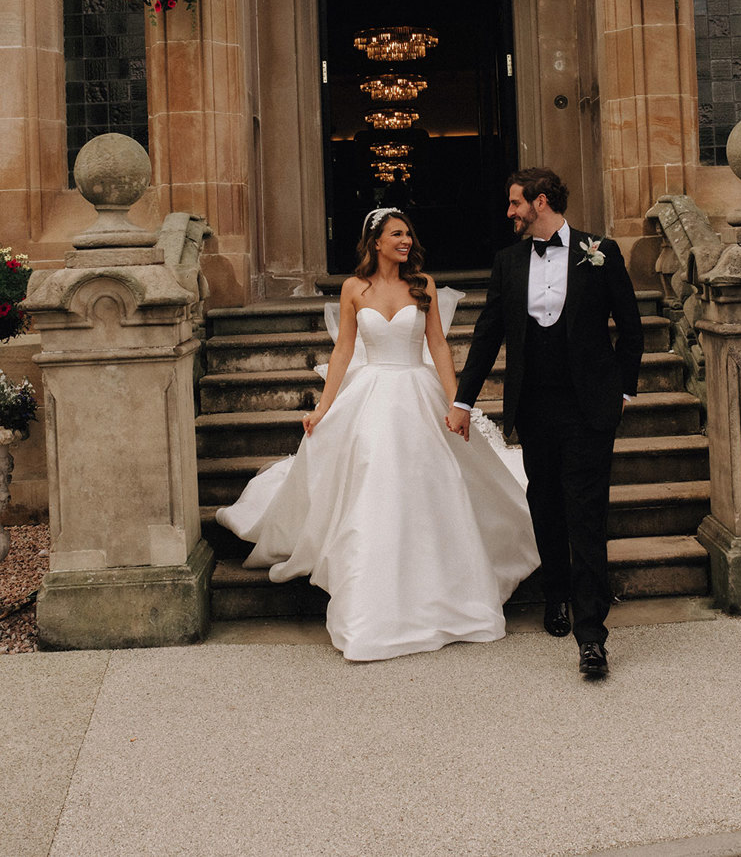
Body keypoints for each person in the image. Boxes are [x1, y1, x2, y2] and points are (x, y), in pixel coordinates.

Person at [216, 207, 539, 662]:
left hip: (417, 389)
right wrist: (323, 408)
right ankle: (373, 602)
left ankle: (448, 591)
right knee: (372, 477)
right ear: (376, 242)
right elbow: (345, 349)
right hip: (371, 396)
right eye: (396, 234)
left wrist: (457, 403)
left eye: (408, 234)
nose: (405, 241)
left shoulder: (422, 285)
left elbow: (438, 346)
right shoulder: (354, 288)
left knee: (434, 480)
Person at [446, 168, 644, 679]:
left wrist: (623, 390)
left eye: (515, 204)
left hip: (589, 408)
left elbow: (631, 326)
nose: (509, 213)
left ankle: (593, 634)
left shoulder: (600, 251)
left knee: (586, 511)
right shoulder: (509, 262)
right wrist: (463, 402)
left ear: (539, 202)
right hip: (535, 407)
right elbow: (488, 334)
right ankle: (556, 594)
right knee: (546, 504)